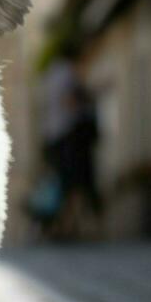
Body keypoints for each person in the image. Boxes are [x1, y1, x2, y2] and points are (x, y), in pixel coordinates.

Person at [40, 44, 101, 238]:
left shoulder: (50, 74)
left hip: (53, 137)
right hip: (69, 136)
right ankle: (68, 228)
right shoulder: (66, 74)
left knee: (65, 183)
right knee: (74, 183)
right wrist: (89, 100)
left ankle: (65, 227)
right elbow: (69, 101)